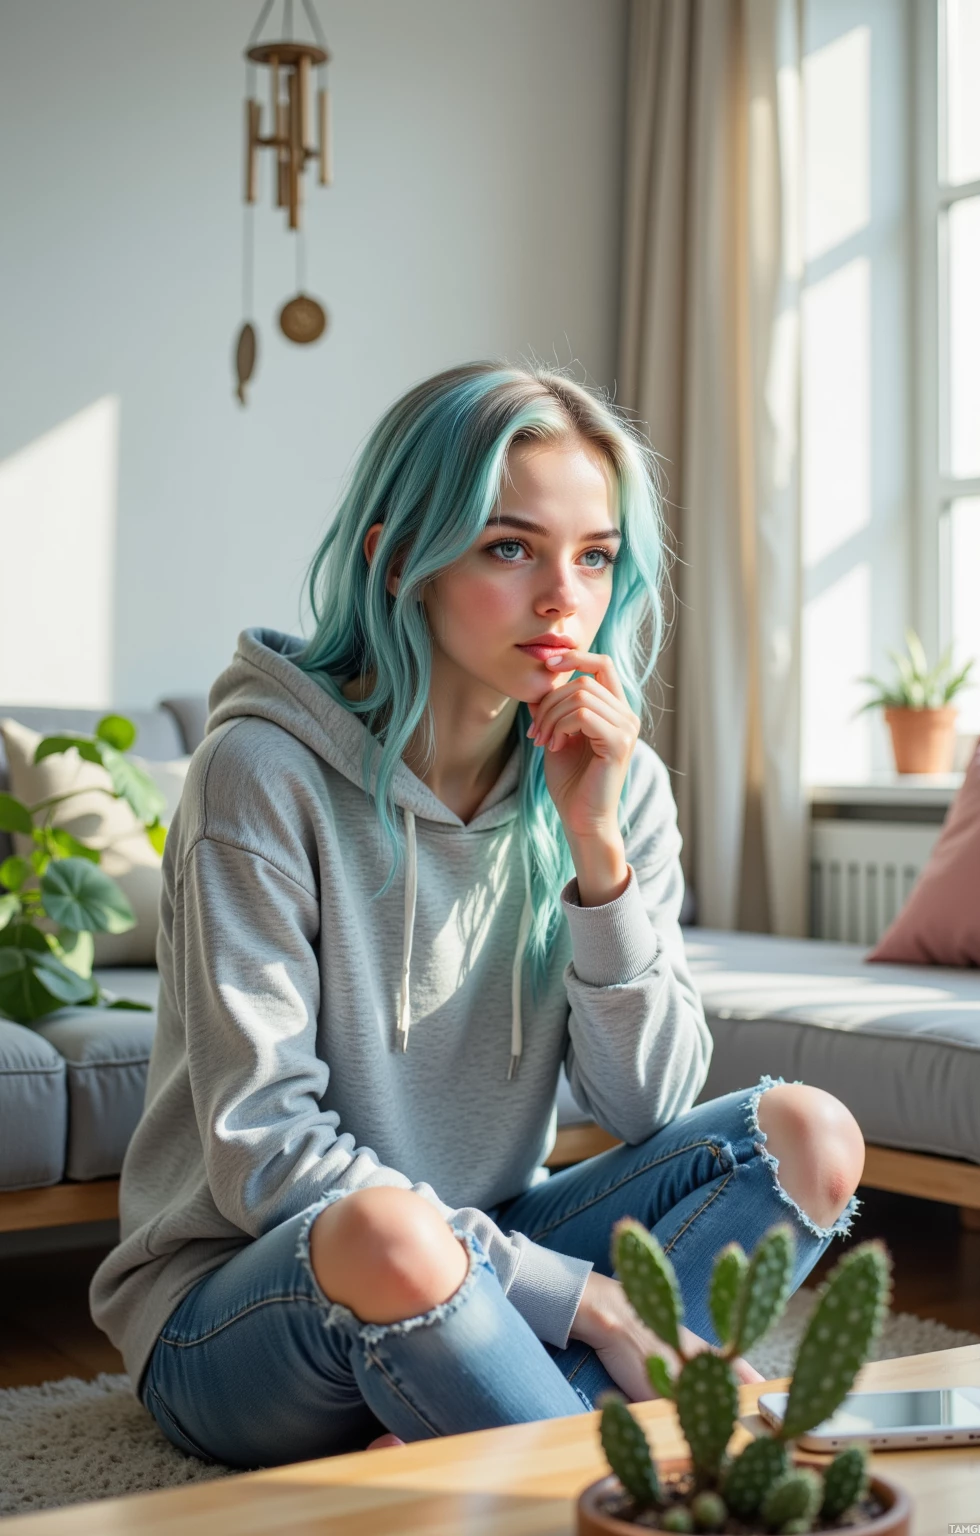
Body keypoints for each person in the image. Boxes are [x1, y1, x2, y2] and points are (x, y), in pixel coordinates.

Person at [89, 360, 865, 1470]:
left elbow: (645, 1100)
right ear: (399, 557)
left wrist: (597, 856)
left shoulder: (613, 777)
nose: (563, 598)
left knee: (806, 1133)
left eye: (593, 557)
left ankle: (460, 1403)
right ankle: (603, 1464)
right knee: (395, 1238)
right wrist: (593, 1304)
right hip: (246, 1306)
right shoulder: (260, 771)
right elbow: (264, 1157)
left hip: (486, 1255)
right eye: (511, 547)